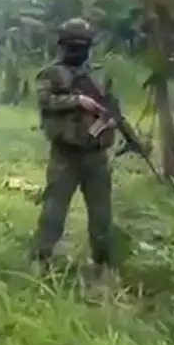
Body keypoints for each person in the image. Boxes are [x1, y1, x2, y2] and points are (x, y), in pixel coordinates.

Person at [29, 17, 118, 280]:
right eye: (73, 45)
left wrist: (109, 118)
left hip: (96, 155)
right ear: (62, 45)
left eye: (83, 45)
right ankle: (40, 258)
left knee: (101, 214)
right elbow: (45, 101)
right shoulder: (51, 74)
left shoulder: (100, 76)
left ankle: (104, 263)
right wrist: (78, 101)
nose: (78, 50)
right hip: (65, 153)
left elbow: (113, 108)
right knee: (54, 211)